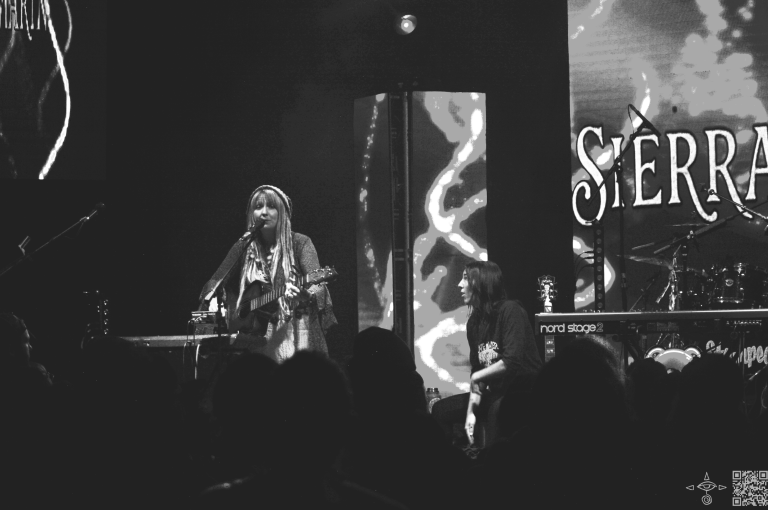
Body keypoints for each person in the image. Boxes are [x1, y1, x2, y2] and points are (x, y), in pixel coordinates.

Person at [199, 185, 336, 363]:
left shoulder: (300, 243)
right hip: (258, 335)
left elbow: (318, 285)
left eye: (271, 206)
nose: (264, 212)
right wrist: (211, 299)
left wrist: (305, 295)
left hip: (296, 331)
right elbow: (216, 279)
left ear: (283, 212)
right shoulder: (244, 245)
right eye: (258, 207)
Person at [433, 260, 542, 449]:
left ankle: (492, 467)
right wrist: (472, 408)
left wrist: (477, 377)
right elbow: (478, 372)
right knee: (440, 410)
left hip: (522, 393)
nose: (460, 284)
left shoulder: (510, 310)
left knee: (495, 412)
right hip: (496, 394)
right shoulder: (474, 322)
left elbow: (512, 361)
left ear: (481, 282)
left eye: (465, 279)